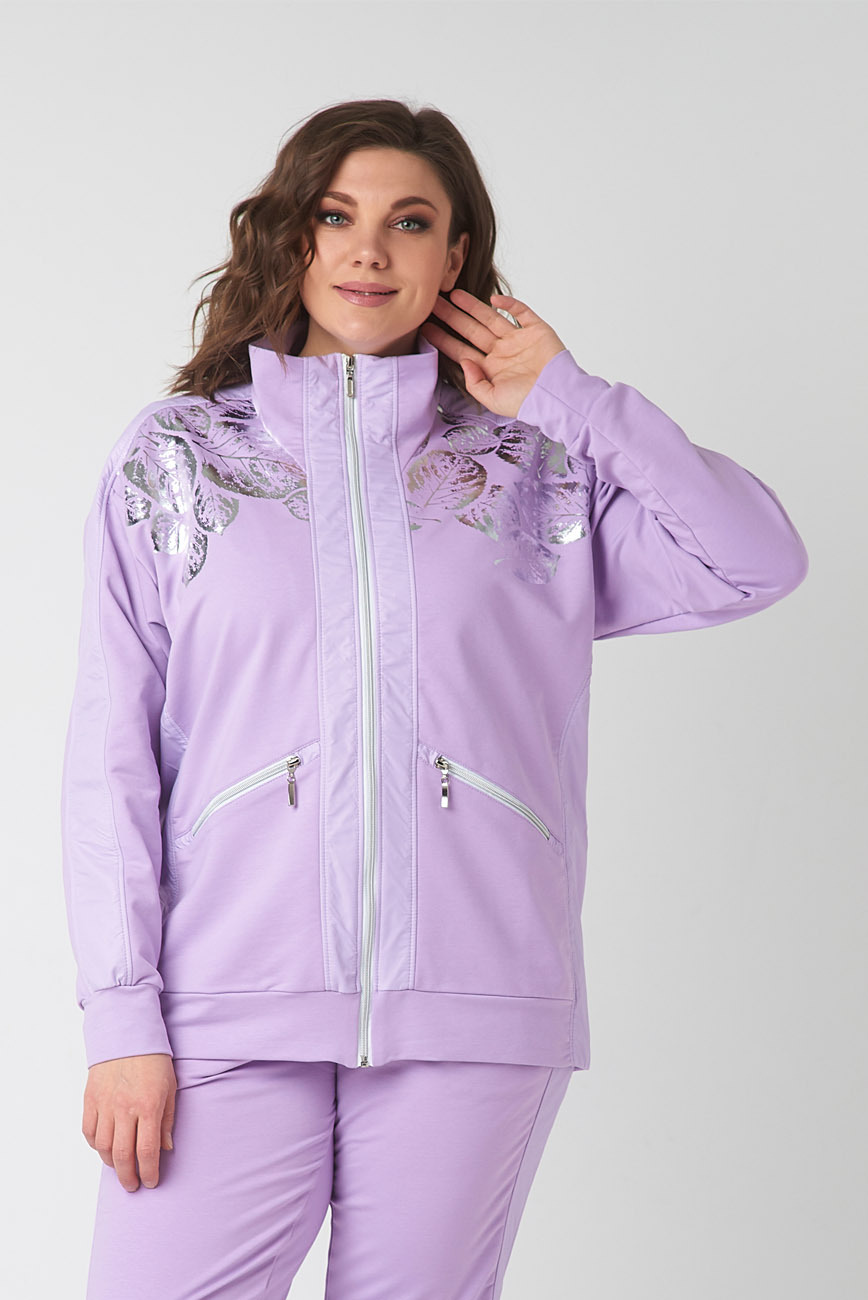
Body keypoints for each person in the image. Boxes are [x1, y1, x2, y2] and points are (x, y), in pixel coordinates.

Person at [60, 97, 809, 1299]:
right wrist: (121, 1018)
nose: (369, 250)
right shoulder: (178, 460)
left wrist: (572, 399)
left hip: (476, 1003)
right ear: (290, 236)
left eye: (409, 222)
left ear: (454, 256)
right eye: (336, 216)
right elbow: (110, 758)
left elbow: (754, 559)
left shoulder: (538, 470)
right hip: (224, 1006)